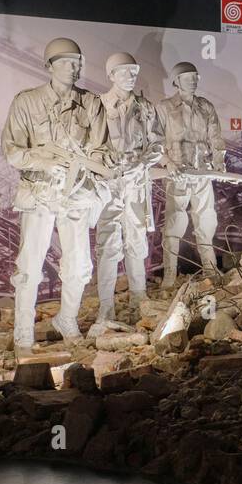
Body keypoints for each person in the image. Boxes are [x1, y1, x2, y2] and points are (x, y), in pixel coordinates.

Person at [1, 38, 111, 354]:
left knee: (79, 265)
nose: (72, 68)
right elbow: (13, 151)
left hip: (76, 193)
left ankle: (68, 320)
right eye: (64, 62)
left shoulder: (92, 104)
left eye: (77, 61)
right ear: (49, 66)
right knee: (30, 266)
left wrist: (83, 164)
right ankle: (23, 333)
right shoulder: (27, 102)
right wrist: (47, 160)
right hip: (39, 192)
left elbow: (102, 151)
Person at [90, 52, 164, 336]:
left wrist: (141, 165)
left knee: (137, 241)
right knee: (107, 245)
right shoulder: (98, 106)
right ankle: (106, 308)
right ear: (111, 75)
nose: (130, 76)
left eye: (134, 71)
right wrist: (103, 166)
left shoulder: (145, 107)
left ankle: (139, 299)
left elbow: (156, 144)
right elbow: (91, 143)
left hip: (135, 182)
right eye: (124, 72)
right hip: (108, 183)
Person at [156, 61, 225, 289]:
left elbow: (215, 138)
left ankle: (211, 269)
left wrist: (218, 163)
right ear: (176, 81)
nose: (193, 81)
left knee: (206, 221)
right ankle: (169, 276)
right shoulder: (165, 108)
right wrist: (166, 162)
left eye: (195, 77)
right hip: (178, 173)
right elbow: (154, 141)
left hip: (201, 173)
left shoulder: (205, 107)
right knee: (175, 224)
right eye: (187, 77)